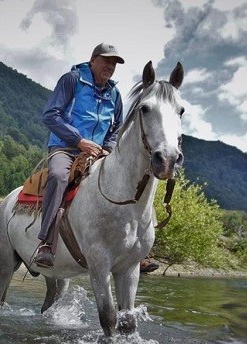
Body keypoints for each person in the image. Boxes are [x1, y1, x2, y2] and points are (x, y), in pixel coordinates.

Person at [34, 43, 159, 273]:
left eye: (114, 63)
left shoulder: (114, 93)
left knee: (134, 182)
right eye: (106, 61)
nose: (110, 66)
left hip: (99, 153)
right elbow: (50, 115)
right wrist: (78, 140)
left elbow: (117, 128)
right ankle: (46, 244)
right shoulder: (72, 80)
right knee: (59, 176)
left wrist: (107, 148)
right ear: (93, 60)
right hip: (66, 149)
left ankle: (138, 252)